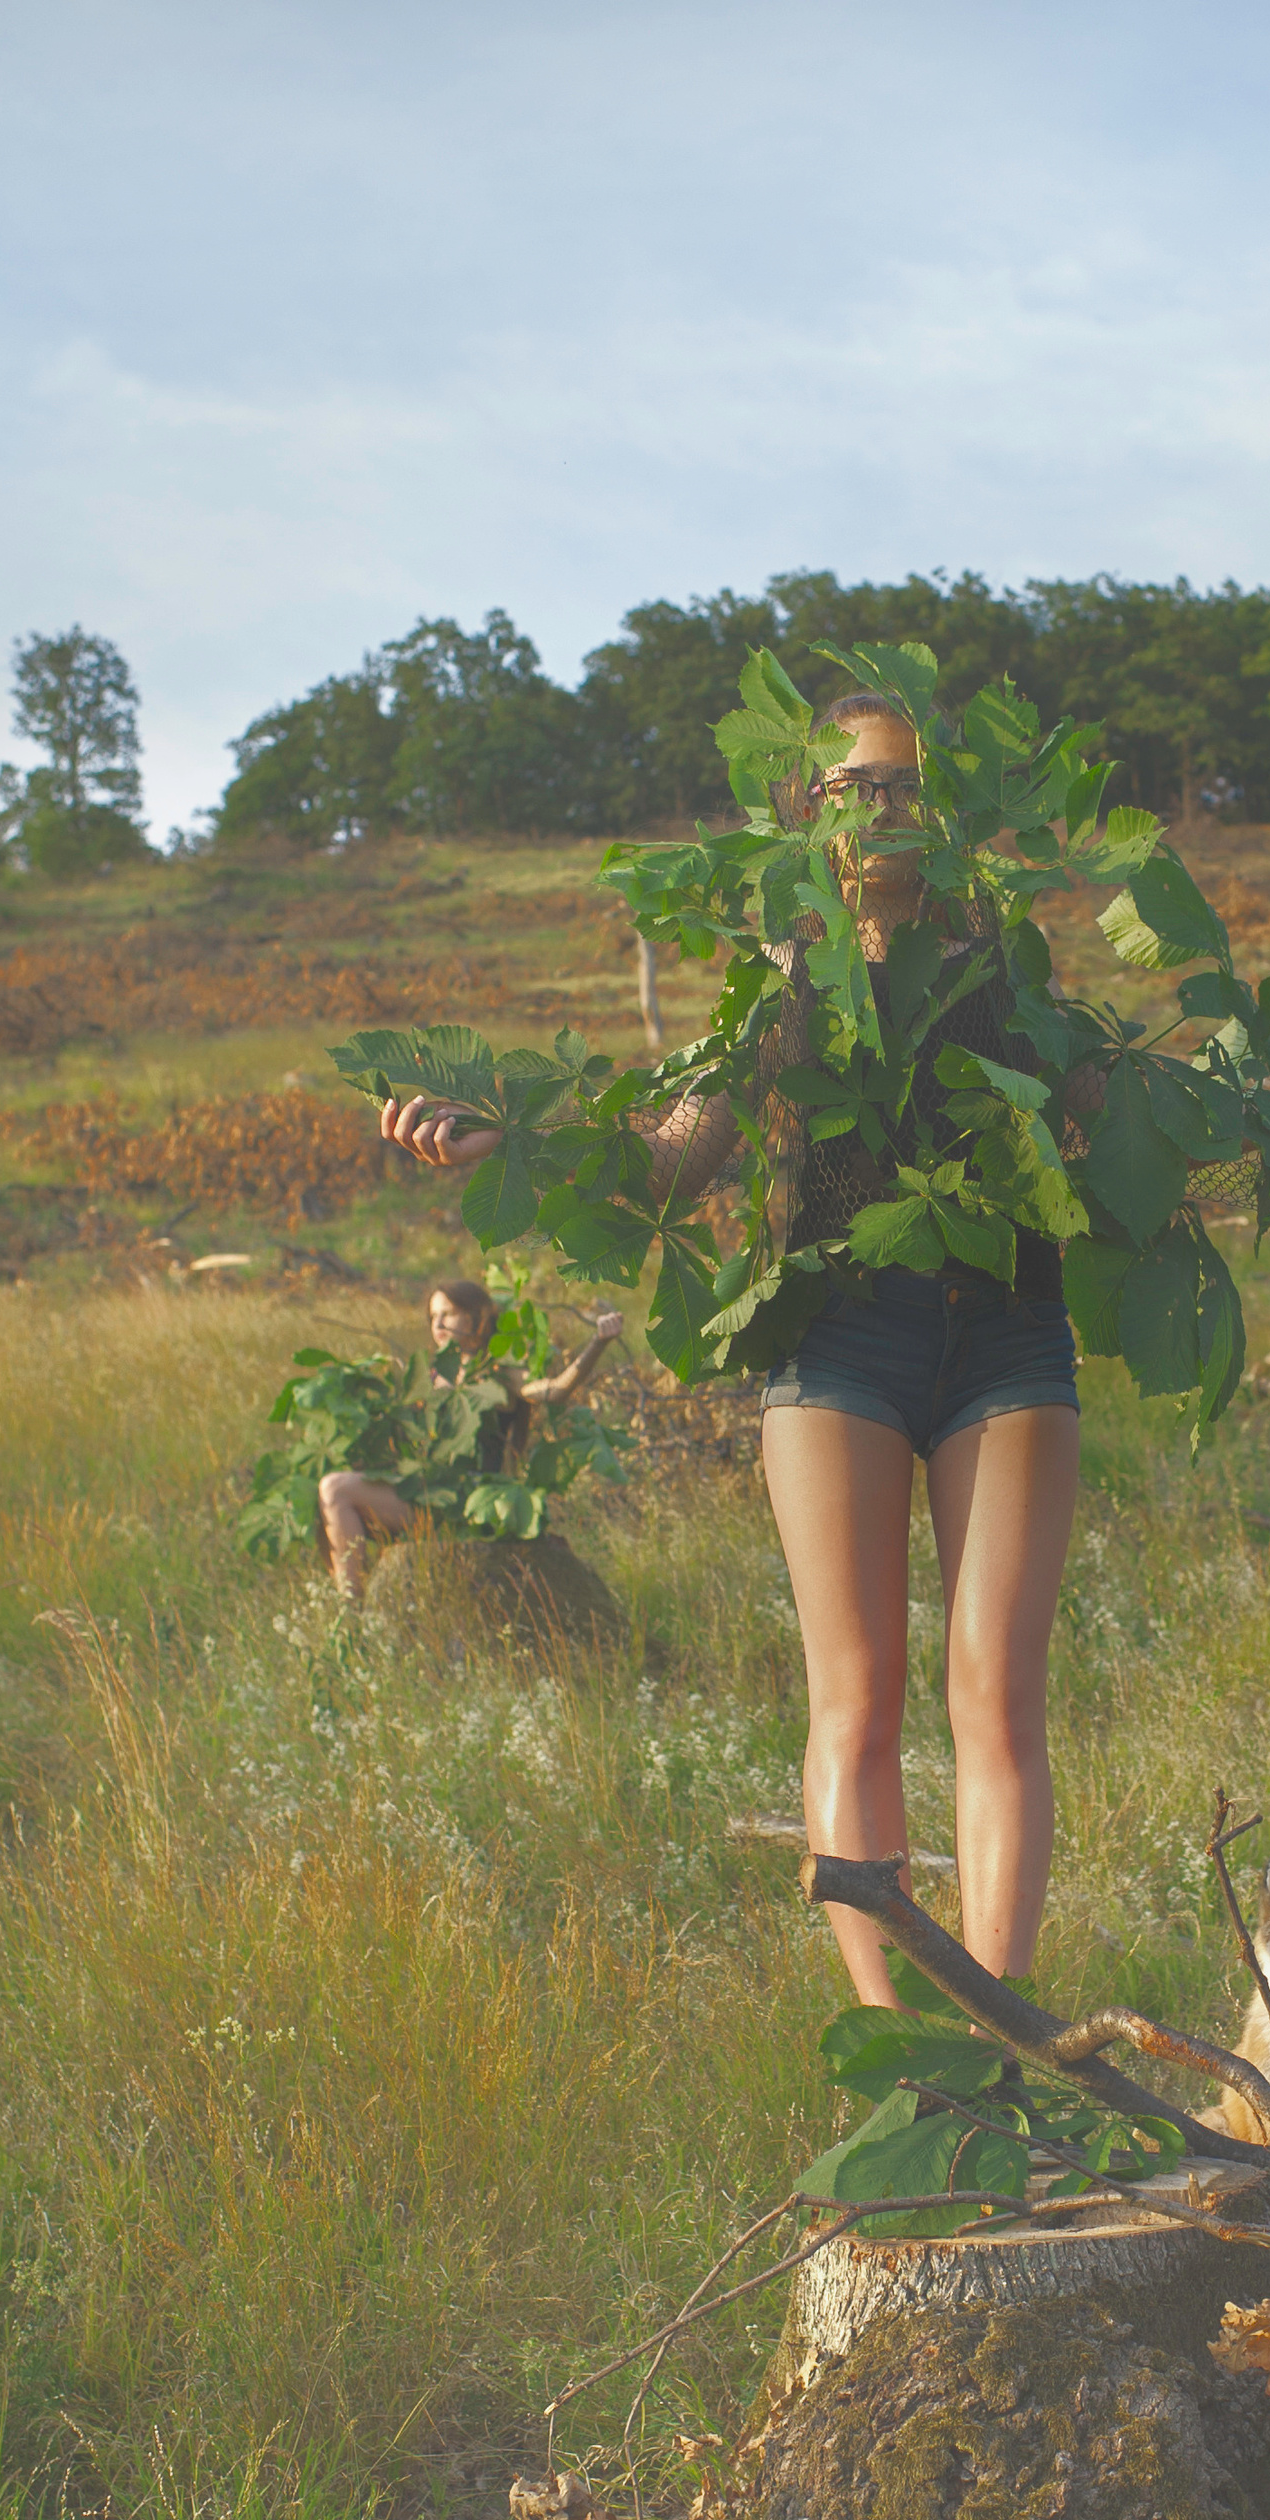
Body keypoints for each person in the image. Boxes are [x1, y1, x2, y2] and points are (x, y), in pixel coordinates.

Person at [381, 699, 1079, 2007]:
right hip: (836, 1337)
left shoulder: (1012, 976)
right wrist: (511, 1140)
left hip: (1010, 1331)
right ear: (808, 813)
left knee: (995, 1691)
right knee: (857, 1694)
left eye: (903, 784)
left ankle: (1001, 2036)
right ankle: (896, 2048)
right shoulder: (783, 986)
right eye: (850, 786)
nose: (879, 808)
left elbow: (1135, 1127)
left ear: (947, 806)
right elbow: (665, 1158)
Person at [316, 1275, 623, 1599]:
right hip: (427, 1490)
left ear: (478, 1316)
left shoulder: (499, 1370)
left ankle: (352, 1608)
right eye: (433, 1316)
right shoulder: (434, 1374)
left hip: (471, 1498)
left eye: (447, 1313)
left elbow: (555, 1390)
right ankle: (351, 1607)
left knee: (336, 1488)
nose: (439, 1323)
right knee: (328, 1492)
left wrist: (597, 1344)